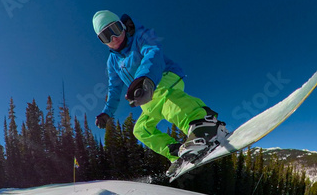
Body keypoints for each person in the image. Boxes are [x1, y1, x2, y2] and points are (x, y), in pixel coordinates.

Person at [92, 10, 227, 174]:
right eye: (106, 36)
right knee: (141, 129)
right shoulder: (112, 62)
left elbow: (153, 52)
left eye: (115, 29)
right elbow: (114, 88)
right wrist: (107, 113)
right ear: (103, 42)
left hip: (164, 77)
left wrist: (146, 78)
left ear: (122, 26)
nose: (114, 38)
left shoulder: (140, 35)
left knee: (160, 95)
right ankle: (176, 153)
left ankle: (204, 125)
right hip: (146, 96)